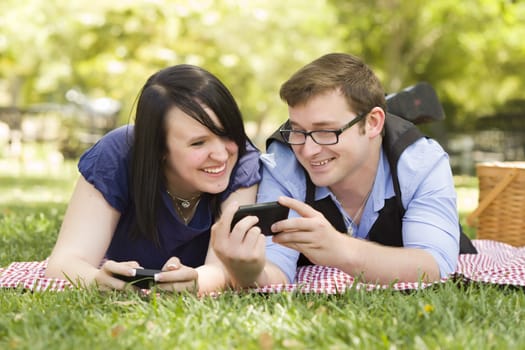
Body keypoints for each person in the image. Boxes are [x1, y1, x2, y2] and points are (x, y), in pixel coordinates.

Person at [45, 64, 288, 293]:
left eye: (227, 135)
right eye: (199, 143)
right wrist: (97, 280)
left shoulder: (242, 159)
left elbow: (224, 268)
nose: (222, 154)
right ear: (158, 147)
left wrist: (196, 283)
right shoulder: (115, 155)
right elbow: (65, 262)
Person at [258, 53, 474, 285]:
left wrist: (342, 249)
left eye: (326, 131)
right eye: (298, 130)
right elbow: (273, 269)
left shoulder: (421, 162)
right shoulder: (283, 164)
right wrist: (246, 270)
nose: (308, 150)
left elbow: (434, 267)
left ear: (372, 123)